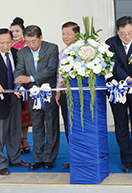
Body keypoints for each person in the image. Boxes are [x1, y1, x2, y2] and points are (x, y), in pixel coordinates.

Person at [0, 29, 31, 175]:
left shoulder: (17, 54)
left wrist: (20, 86)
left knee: (15, 131)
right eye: (2, 43)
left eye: (8, 42)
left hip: (15, 99)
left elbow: (22, 72)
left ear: (12, 41)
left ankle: (15, 159)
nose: (5, 45)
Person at [14, 25, 59, 171]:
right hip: (32, 95)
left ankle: (49, 159)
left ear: (41, 37)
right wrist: (19, 86)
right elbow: (19, 71)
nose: (30, 45)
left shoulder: (52, 48)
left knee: (51, 126)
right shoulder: (22, 53)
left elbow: (51, 69)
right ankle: (38, 158)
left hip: (48, 93)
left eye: (33, 41)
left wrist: (30, 78)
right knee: (37, 126)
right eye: (27, 42)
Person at [106, 16, 132, 173]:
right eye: (123, 33)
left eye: (130, 33)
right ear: (117, 31)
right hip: (117, 89)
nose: (127, 36)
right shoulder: (110, 44)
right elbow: (114, 66)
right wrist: (128, 79)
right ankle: (127, 159)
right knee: (121, 124)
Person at [54, 21, 80, 169]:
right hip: (65, 94)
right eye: (63, 33)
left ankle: (82, 155)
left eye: (68, 33)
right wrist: (58, 91)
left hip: (79, 95)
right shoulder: (62, 52)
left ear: (77, 34)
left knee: (78, 125)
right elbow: (60, 74)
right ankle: (74, 157)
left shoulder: (83, 51)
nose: (65, 36)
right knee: (69, 126)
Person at [10, 17, 31, 154]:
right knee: (15, 115)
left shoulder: (27, 45)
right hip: (13, 84)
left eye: (17, 31)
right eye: (12, 32)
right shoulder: (8, 46)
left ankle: (25, 139)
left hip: (27, 84)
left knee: (26, 114)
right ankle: (16, 141)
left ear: (23, 31)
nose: (15, 34)